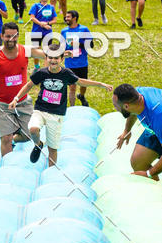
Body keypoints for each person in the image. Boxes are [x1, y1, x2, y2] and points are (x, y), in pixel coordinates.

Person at [9, 38, 111, 167]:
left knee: (53, 148)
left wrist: (100, 84)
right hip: (40, 109)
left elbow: (81, 81)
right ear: (46, 58)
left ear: (62, 59)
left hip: (57, 114)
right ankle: (38, 144)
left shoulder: (66, 73)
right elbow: (28, 86)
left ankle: (51, 171)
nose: (53, 61)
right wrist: (16, 98)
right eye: (50, 58)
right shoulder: (42, 73)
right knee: (33, 129)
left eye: (56, 58)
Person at [0, 21, 45, 156]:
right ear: (1, 36)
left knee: (29, 135)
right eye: (8, 36)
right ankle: (6, 169)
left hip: (23, 102)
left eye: (14, 36)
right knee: (5, 138)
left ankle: (14, 140)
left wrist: (63, 53)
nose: (11, 40)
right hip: (1, 104)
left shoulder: (25, 50)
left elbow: (45, 54)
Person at [62, 10, 93, 106]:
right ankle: (72, 108)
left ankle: (82, 96)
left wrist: (79, 44)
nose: (66, 18)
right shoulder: (64, 31)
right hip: (69, 64)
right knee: (72, 87)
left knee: (83, 84)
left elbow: (91, 45)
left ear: (74, 18)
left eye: (68, 17)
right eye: (66, 17)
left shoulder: (84, 30)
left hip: (82, 63)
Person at [29, 0, 58, 69]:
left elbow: (54, 20)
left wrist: (47, 24)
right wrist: (41, 24)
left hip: (48, 32)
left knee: (48, 51)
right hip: (36, 31)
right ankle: (36, 66)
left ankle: (46, 68)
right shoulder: (36, 6)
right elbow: (32, 18)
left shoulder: (51, 7)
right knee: (36, 50)